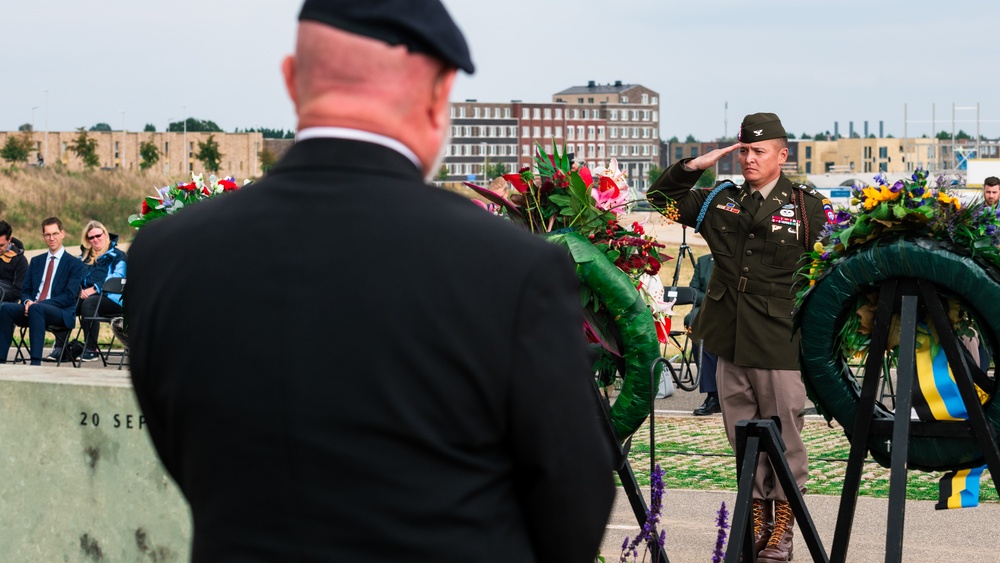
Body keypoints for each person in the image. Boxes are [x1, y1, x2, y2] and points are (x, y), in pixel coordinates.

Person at [125, 2, 614, 562]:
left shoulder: (167, 254)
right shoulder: (511, 269)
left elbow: (182, 449)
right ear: (439, 93)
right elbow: (573, 500)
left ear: (291, 79)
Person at [648, 113, 829, 563]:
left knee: (784, 430)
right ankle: (757, 518)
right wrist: (693, 167)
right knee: (741, 432)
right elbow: (658, 199)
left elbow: (828, 269)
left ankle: (783, 524)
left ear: (782, 156)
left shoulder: (807, 207)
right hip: (727, 334)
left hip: (778, 336)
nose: (749, 158)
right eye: (744, 150)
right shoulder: (717, 200)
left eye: (759, 151)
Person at [0, 217, 85, 365]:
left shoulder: (74, 264)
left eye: (55, 234)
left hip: (60, 312)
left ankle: (35, 363)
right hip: (33, 308)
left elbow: (69, 297)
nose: (51, 238)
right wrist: (27, 302)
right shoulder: (36, 261)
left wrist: (37, 304)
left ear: (62, 234)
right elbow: (25, 290)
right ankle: (1, 361)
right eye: (47, 235)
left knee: (37, 308)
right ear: (43, 236)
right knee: (6, 308)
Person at [51, 220, 126, 362]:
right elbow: (73, 277)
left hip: (113, 298)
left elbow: (118, 277)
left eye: (98, 235)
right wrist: (78, 290)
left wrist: (95, 289)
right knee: (67, 301)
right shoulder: (84, 257)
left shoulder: (118, 256)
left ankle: (91, 349)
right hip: (88, 297)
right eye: (91, 237)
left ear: (105, 234)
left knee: (89, 303)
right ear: (87, 239)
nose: (95, 239)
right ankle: (60, 347)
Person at [684, 254, 720, 416]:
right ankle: (713, 396)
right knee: (698, 330)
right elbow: (693, 290)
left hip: (732, 311)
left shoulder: (739, 258)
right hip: (705, 312)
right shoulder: (704, 261)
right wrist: (712, 300)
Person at [0, 221, 28, 303]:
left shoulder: (20, 261)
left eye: (1, 245)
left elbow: (18, 291)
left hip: (5, 301)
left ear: (9, 239)